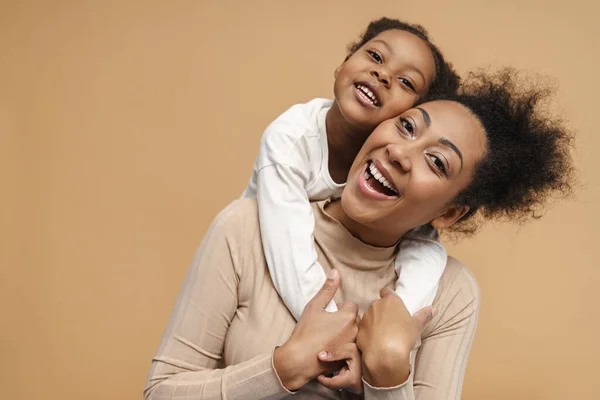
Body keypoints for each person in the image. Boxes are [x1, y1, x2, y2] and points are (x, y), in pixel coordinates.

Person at [144, 70, 573, 399]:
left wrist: (386, 371)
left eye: (437, 162)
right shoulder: (244, 228)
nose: (401, 153)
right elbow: (161, 390)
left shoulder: (450, 294)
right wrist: (284, 367)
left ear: (450, 212)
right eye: (407, 127)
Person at [242, 17, 460, 321]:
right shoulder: (290, 139)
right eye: (374, 56)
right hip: (256, 265)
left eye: (406, 82)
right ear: (343, 63)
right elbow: (290, 257)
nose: (382, 74)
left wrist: (396, 321)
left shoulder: (390, 166)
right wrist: (333, 332)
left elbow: (426, 247)